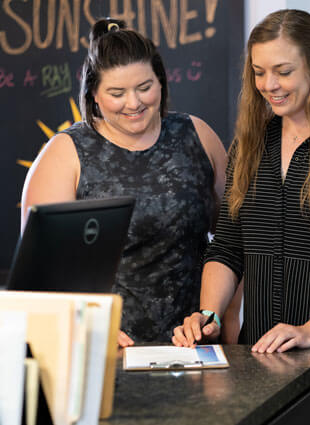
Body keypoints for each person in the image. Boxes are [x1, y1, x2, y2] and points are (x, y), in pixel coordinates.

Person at [172, 9, 310, 425]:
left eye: (283, 71)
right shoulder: (251, 145)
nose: (269, 85)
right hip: (266, 362)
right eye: (259, 72)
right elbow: (226, 248)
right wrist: (207, 314)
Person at [20, 18, 227, 346]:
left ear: (161, 82)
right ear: (94, 95)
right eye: (117, 93)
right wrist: (86, 326)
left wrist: (216, 316)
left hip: (196, 346)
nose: (134, 103)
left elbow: (233, 243)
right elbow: (40, 277)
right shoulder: (64, 155)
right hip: (102, 348)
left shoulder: (197, 136)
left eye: (145, 87)